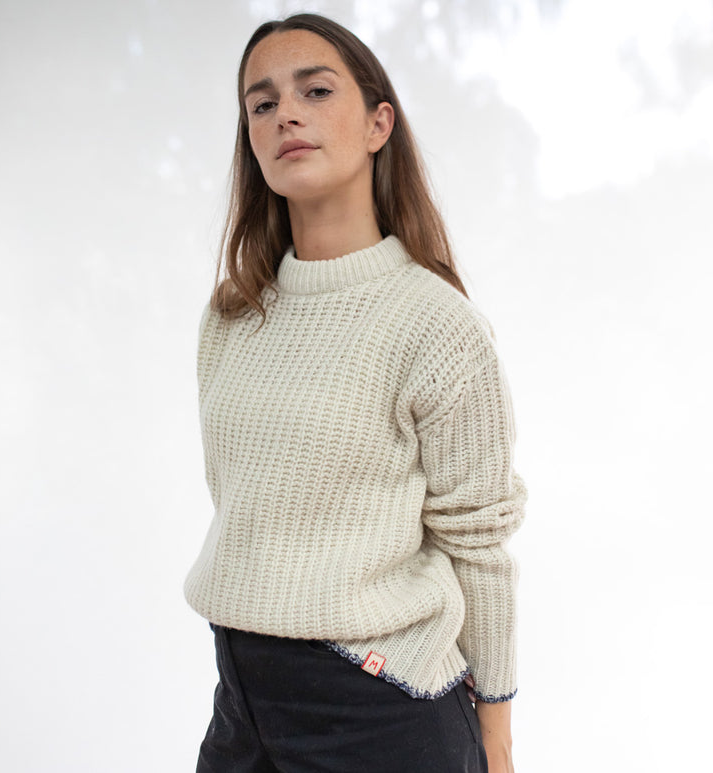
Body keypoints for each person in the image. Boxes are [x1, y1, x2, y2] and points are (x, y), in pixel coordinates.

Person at [184, 12, 527, 773]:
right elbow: (242, 499)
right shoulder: (233, 314)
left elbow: (478, 541)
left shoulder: (435, 323)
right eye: (262, 103)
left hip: (378, 710)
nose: (287, 115)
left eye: (315, 90)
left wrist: (497, 739)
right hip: (242, 702)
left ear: (379, 123)